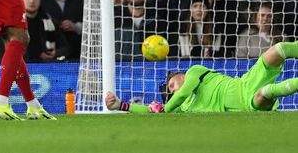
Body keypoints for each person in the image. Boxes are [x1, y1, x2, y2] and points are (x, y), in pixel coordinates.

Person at [106, 41, 298, 113]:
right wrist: (121, 105)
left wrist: (165, 108)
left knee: (278, 50)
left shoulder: (195, 71)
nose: (173, 90)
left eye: (172, 84)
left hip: (245, 82)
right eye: (170, 91)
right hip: (245, 103)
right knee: (265, 93)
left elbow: (181, 94)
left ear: (180, 75)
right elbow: (149, 112)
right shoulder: (183, 107)